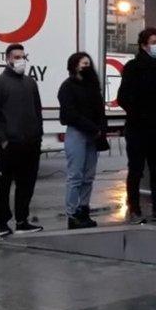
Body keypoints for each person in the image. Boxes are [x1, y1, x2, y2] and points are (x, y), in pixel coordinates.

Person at [117, 27, 156, 222]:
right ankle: (134, 207)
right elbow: (123, 97)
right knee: (136, 169)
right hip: (138, 126)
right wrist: (139, 112)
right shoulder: (133, 67)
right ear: (143, 45)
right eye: (153, 42)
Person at [0, 42, 44, 237]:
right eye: (16, 57)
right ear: (8, 59)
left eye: (22, 57)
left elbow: (38, 111)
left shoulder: (30, 83)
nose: (20, 60)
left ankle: (22, 220)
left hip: (31, 143)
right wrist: (3, 140)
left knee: (26, 184)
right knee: (4, 185)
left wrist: (38, 136)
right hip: (10, 144)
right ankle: (2, 223)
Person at [58, 52, 106, 230]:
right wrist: (92, 127)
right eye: (82, 64)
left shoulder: (93, 86)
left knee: (88, 176)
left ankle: (83, 209)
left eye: (88, 63)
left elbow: (100, 110)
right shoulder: (67, 87)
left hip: (92, 135)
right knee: (75, 176)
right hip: (77, 133)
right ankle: (72, 214)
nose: (86, 67)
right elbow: (69, 114)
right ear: (74, 66)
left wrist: (101, 130)